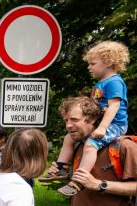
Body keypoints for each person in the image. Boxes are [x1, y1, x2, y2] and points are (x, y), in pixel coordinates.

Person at [43, 41, 130, 197]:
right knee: (69, 138)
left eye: (92, 63)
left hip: (115, 124)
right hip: (100, 121)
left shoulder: (114, 81)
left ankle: (79, 181)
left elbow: (114, 107)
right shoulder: (100, 84)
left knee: (90, 145)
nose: (89, 67)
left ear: (109, 62)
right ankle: (60, 168)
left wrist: (102, 128)